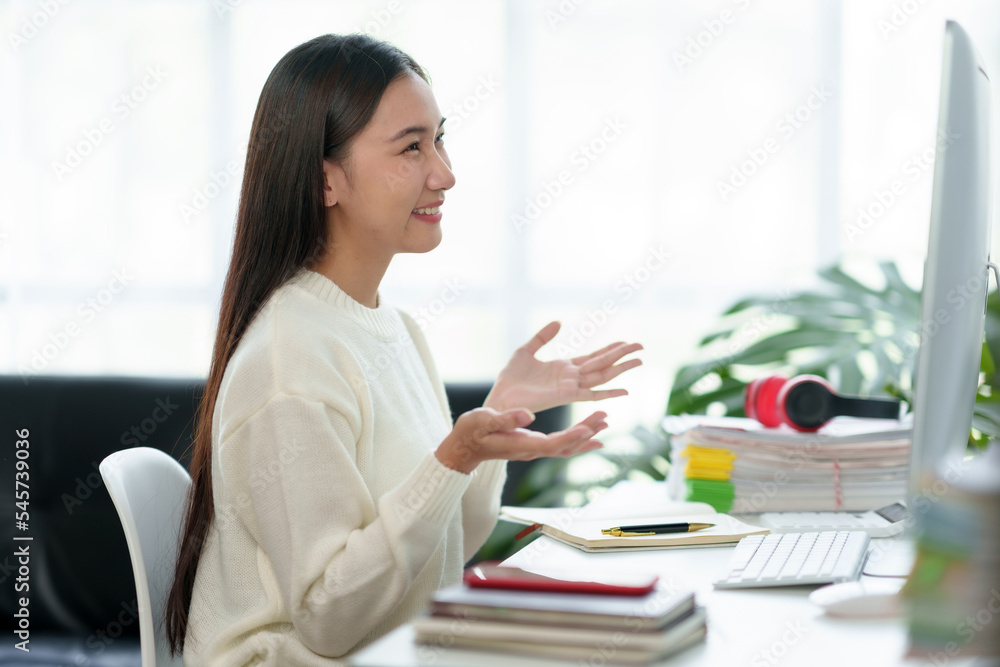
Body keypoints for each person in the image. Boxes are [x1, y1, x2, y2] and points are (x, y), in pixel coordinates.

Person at [165, 33, 643, 665]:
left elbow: (445, 548)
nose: (444, 173)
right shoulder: (291, 360)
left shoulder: (395, 331)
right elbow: (328, 619)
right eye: (411, 147)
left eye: (439, 139)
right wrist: (452, 456)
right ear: (325, 179)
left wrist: (496, 420)